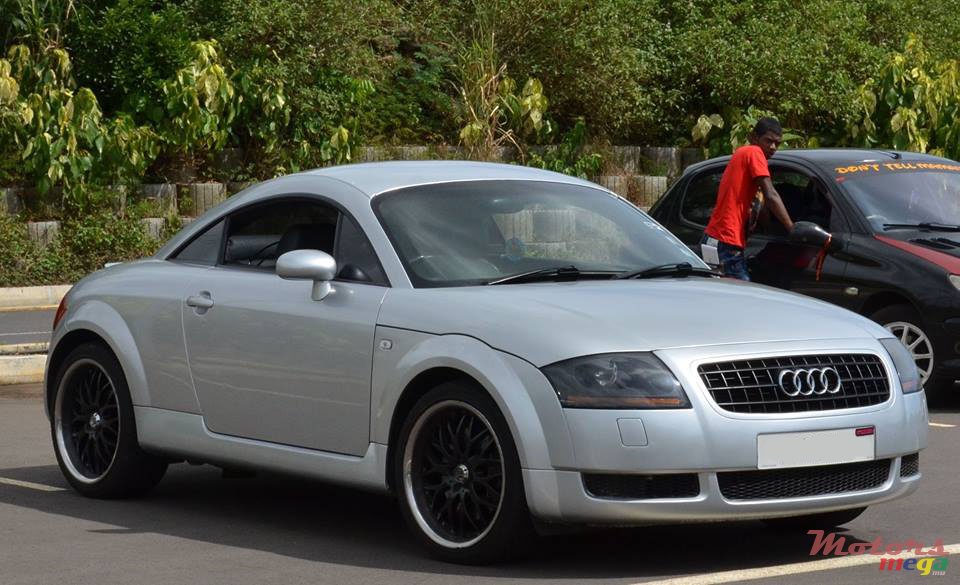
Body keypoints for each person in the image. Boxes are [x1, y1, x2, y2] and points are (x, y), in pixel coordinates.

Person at [700, 117, 795, 280]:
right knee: (745, 298)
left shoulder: (743, 154)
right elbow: (770, 194)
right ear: (754, 138)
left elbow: (761, 205)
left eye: (777, 144)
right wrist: (792, 229)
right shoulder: (754, 152)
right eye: (769, 141)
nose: (773, 147)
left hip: (717, 239)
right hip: (726, 241)